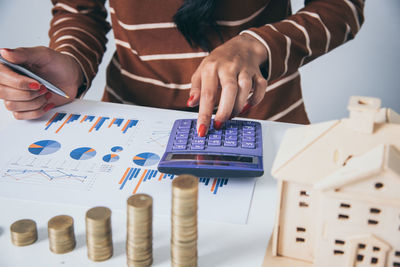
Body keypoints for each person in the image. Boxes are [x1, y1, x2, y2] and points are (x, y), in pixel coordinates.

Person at [0, 0, 364, 137]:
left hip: (264, 122)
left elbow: (341, 6)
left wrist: (256, 45)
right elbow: (78, 11)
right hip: (131, 124)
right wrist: (72, 60)